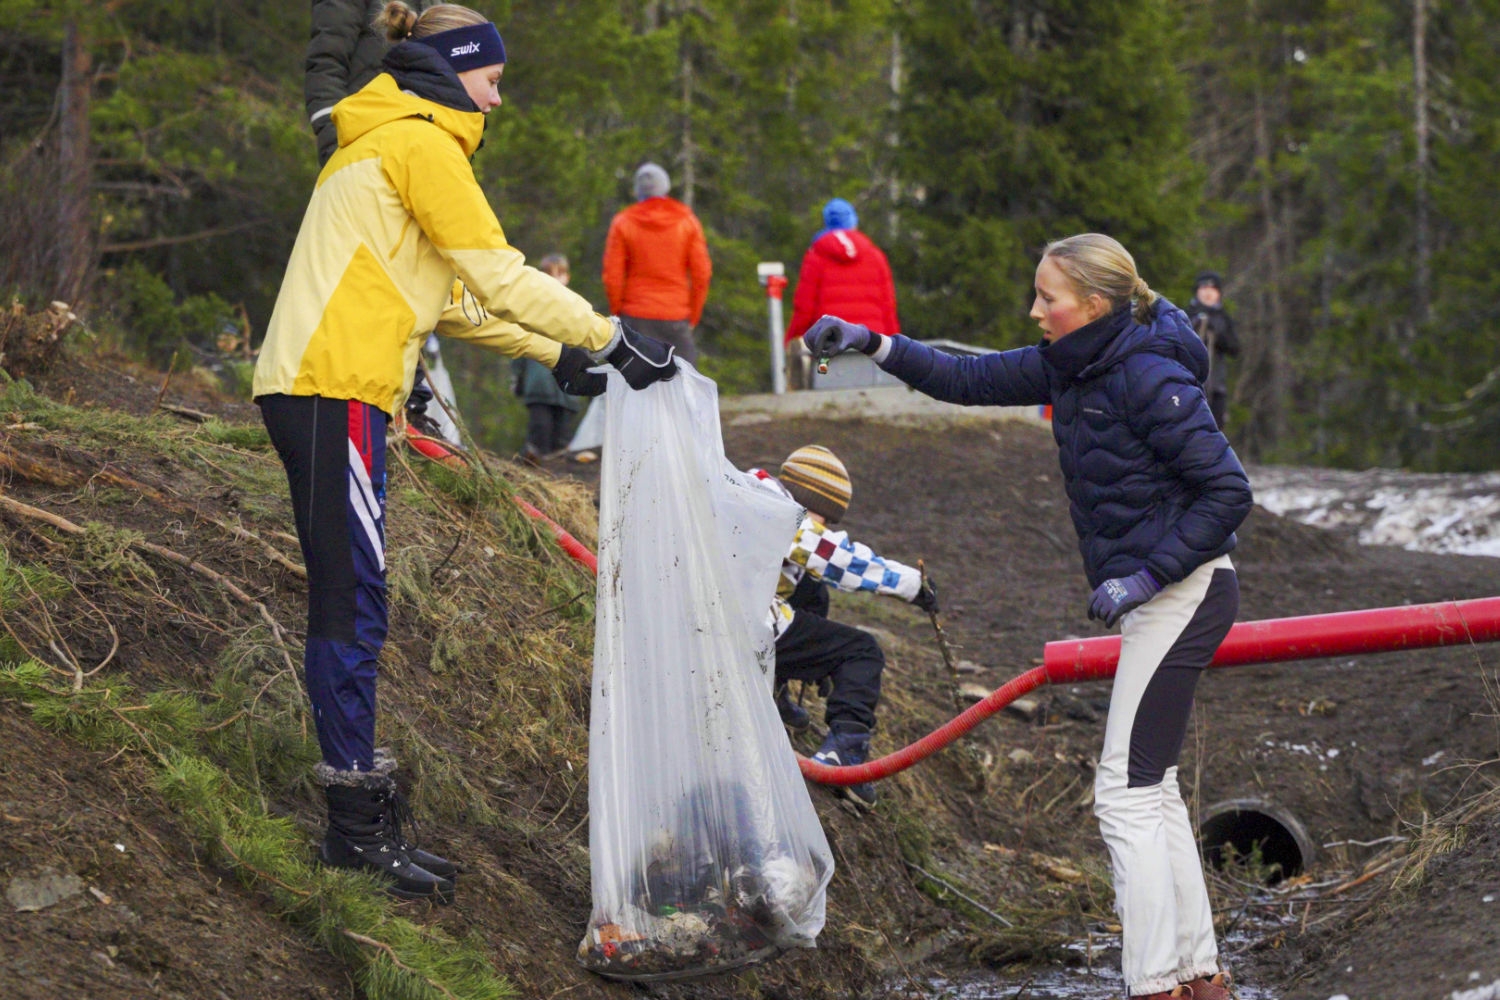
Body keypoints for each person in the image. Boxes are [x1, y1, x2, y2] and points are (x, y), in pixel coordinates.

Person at [255, 1, 672, 905]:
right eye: (493, 79)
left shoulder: (383, 135)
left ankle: (358, 817)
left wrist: (556, 353)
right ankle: (352, 829)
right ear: (455, 66)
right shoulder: (421, 141)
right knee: (352, 600)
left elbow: (449, 298)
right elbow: (499, 270)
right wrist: (608, 334)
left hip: (325, 385)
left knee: (354, 595)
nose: (498, 98)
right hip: (333, 384)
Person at [805, 234, 1252, 1000]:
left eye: (1049, 297)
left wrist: (1147, 574)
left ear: (1095, 304)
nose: (1035, 310)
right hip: (1163, 597)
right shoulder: (1070, 361)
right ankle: (1198, 976)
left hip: (1185, 593)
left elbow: (1229, 492)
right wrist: (873, 343)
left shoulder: (1147, 374)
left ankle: (1155, 984)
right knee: (1151, 787)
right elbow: (963, 377)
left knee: (1124, 794)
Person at [750, 445, 938, 811]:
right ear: (808, 496)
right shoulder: (779, 512)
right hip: (741, 620)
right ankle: (845, 753)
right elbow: (838, 559)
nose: (826, 527)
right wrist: (912, 585)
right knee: (861, 651)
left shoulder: (751, 491)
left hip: (719, 606)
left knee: (811, 590)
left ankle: (773, 688)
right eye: (826, 517)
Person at [305, 0, 458, 439]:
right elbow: (325, 60)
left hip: (417, 142)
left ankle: (408, 402)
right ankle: (365, 402)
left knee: (416, 269)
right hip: (363, 145)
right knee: (369, 275)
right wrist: (335, 138)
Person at [602, 162, 713, 365]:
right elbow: (702, 274)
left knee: (633, 380)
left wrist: (619, 313)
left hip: (635, 315)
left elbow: (612, 277)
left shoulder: (623, 221)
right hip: (675, 316)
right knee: (683, 380)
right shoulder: (687, 220)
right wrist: (693, 315)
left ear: (637, 191)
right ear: (666, 187)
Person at [784, 199, 899, 389]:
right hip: (871, 347)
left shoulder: (816, 256)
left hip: (827, 350)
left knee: (825, 396)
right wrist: (894, 347)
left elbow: (804, 308)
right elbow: (888, 308)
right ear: (854, 222)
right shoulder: (876, 256)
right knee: (872, 397)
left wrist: (792, 341)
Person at [511, 254, 585, 463]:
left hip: (567, 389)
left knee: (562, 440)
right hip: (539, 386)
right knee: (539, 435)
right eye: (549, 274)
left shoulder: (576, 307)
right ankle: (533, 470)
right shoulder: (531, 309)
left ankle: (558, 475)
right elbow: (518, 343)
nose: (554, 279)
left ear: (567, 277)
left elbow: (585, 342)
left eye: (559, 273)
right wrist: (517, 378)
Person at [1184, 271, 1240, 430]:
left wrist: (1216, 334)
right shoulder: (1185, 315)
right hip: (1188, 384)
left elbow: (1235, 348)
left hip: (1216, 386)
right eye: (1204, 288)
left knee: (1214, 430)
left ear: (1218, 293)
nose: (1208, 293)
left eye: (1212, 289)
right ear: (1197, 291)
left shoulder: (1223, 318)